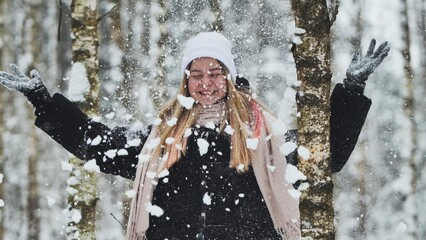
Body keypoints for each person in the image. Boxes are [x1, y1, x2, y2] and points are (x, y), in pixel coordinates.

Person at [0, 32, 389, 240]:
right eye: (197, 74)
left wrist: (351, 89)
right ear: (185, 79)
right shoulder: (162, 140)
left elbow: (325, 156)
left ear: (230, 76)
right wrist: (43, 101)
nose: (207, 83)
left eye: (216, 72)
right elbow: (96, 144)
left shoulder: (261, 138)